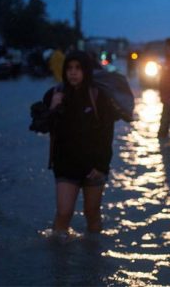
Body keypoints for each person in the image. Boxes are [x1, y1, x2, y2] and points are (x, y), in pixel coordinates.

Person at [41, 50, 116, 238]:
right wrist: (52, 108)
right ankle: (58, 260)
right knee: (63, 214)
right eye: (69, 68)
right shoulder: (54, 94)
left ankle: (93, 260)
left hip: (94, 168)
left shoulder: (98, 97)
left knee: (92, 216)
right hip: (65, 166)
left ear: (87, 71)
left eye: (78, 68)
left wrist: (101, 166)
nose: (73, 73)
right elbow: (41, 127)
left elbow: (106, 134)